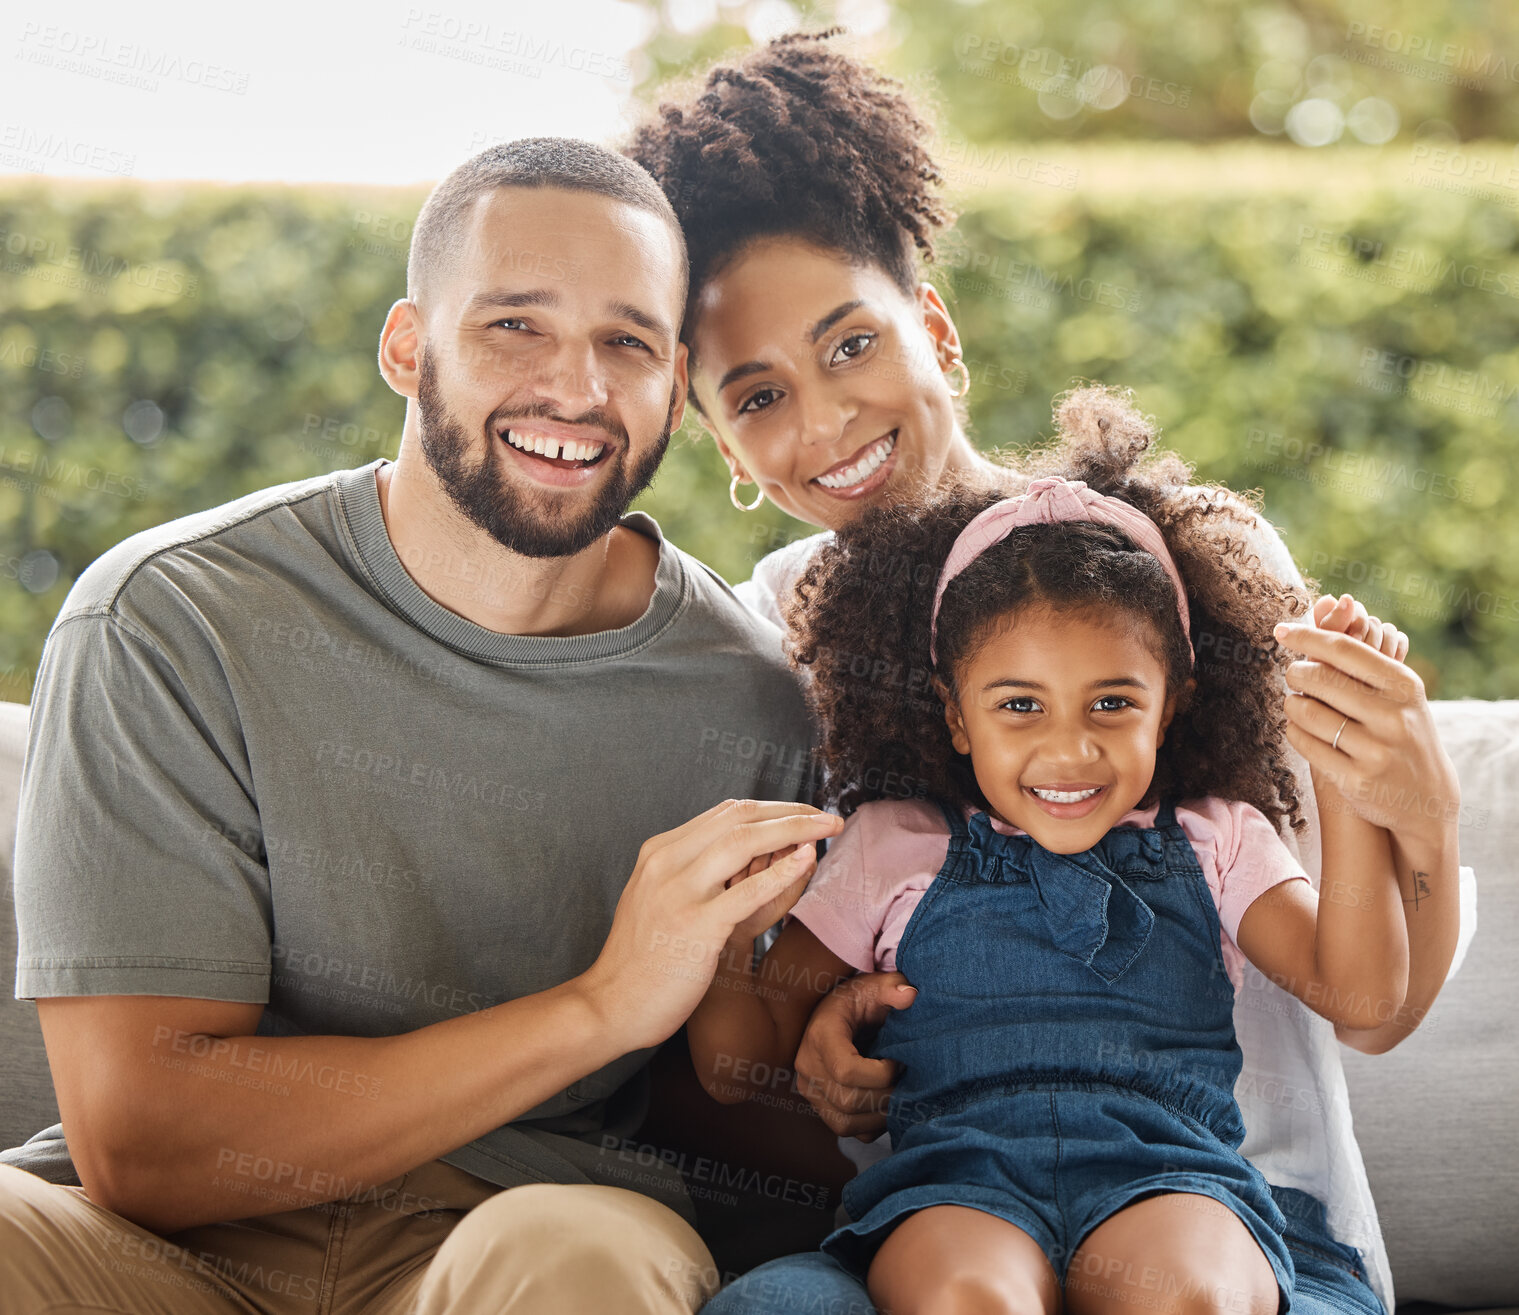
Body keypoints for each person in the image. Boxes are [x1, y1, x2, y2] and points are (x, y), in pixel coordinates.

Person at [626, 32, 1469, 1315]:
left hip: (1232, 1203)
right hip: (952, 1210)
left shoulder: (1183, 568)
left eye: (852, 346)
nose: (827, 420)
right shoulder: (772, 632)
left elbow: (1366, 1003)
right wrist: (815, 1042)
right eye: (758, 397)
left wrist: (1422, 812)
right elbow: (769, 1007)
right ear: (723, 444)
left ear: (939, 334)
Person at [0, 136, 844, 1315]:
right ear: (408, 347)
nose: (576, 388)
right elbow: (148, 1145)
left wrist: (809, 1057)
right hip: (156, 1256)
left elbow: (749, 1123)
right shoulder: (171, 618)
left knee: (582, 1257)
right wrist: (600, 1004)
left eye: (627, 342)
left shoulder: (751, 701)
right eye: (515, 325)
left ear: (675, 386)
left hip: (519, 1235)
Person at [688, 391, 1420, 1314]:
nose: (1068, 751)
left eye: (1112, 703)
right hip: (958, 1186)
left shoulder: (1217, 835)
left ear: (1176, 698)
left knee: (1186, 1292)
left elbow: (1359, 995)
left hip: (1173, 1180)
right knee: (969, 1295)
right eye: (1019, 706)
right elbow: (733, 1064)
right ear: (955, 714)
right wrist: (722, 940)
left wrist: (1344, 771)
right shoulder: (890, 841)